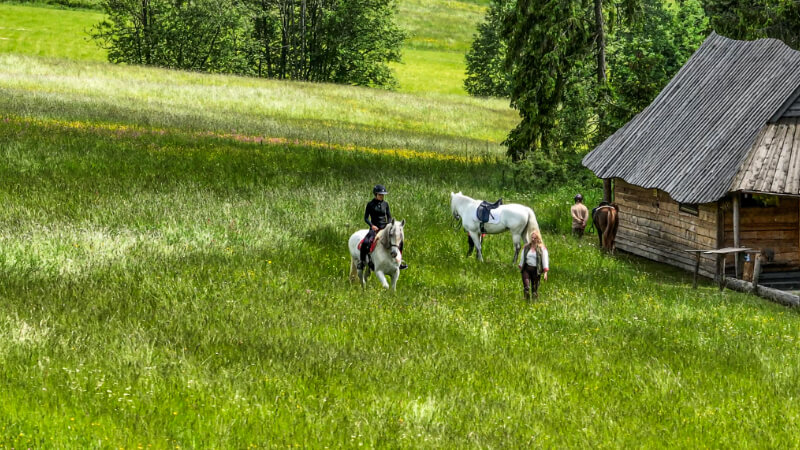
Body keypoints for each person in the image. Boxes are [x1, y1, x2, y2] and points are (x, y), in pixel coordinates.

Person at [359, 184, 408, 270]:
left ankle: (399, 261)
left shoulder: (386, 204)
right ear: (375, 194)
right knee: (366, 242)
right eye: (380, 194)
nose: (382, 196)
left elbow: (389, 216)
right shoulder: (370, 204)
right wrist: (372, 225)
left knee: (399, 241)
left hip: (384, 228)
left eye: (383, 195)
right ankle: (362, 262)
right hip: (374, 229)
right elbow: (366, 218)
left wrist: (388, 226)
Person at [518, 230, 549, 300]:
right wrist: (521, 266)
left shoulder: (542, 249)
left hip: (536, 271)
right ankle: (526, 301)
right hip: (526, 269)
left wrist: (545, 272)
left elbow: (545, 260)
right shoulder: (526, 247)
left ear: (538, 239)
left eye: (535, 238)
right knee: (526, 287)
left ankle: (534, 302)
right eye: (532, 238)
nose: (533, 239)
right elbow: (523, 257)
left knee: (534, 289)